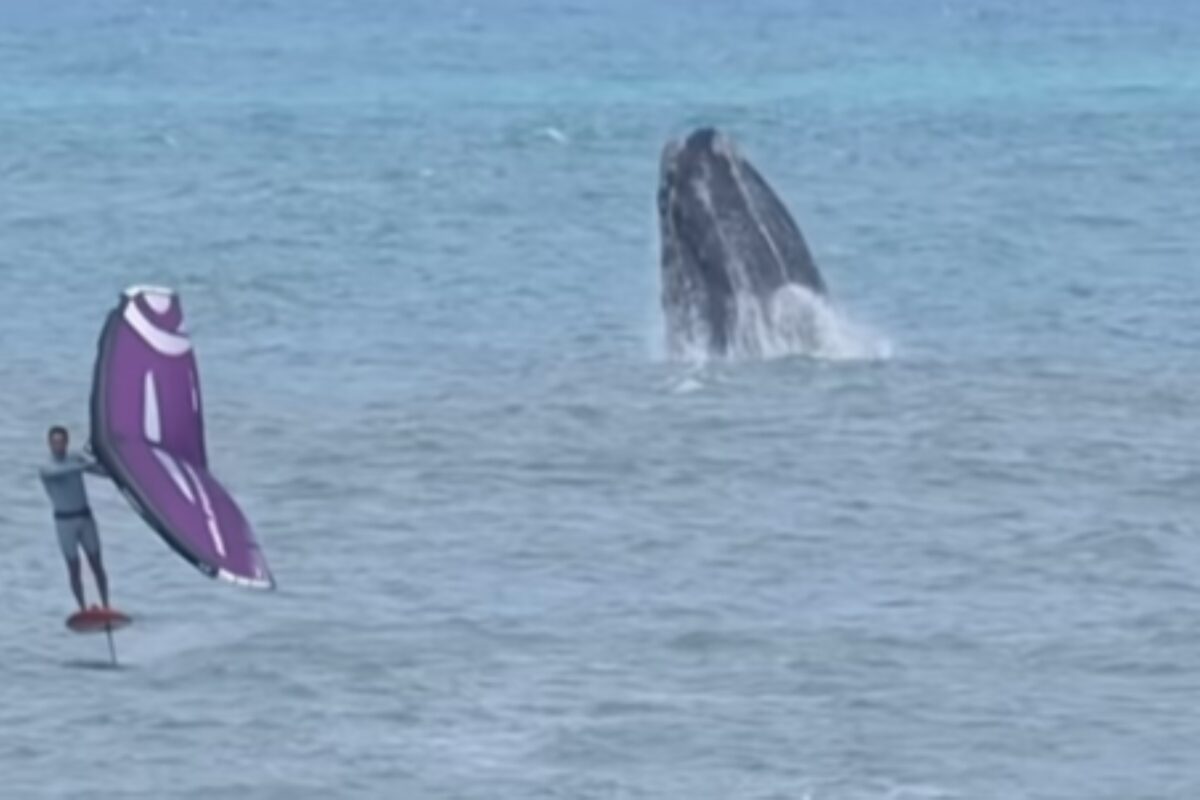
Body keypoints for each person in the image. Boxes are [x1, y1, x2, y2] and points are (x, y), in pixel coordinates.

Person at [39, 426, 110, 611]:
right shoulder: (47, 467)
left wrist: (105, 460)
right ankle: (83, 608)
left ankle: (106, 605)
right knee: (73, 567)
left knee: (96, 563)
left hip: (85, 518)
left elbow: (102, 471)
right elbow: (59, 472)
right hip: (64, 523)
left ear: (66, 442)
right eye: (54, 442)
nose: (58, 446)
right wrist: (84, 463)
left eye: (61, 441)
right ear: (49, 444)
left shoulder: (76, 459)